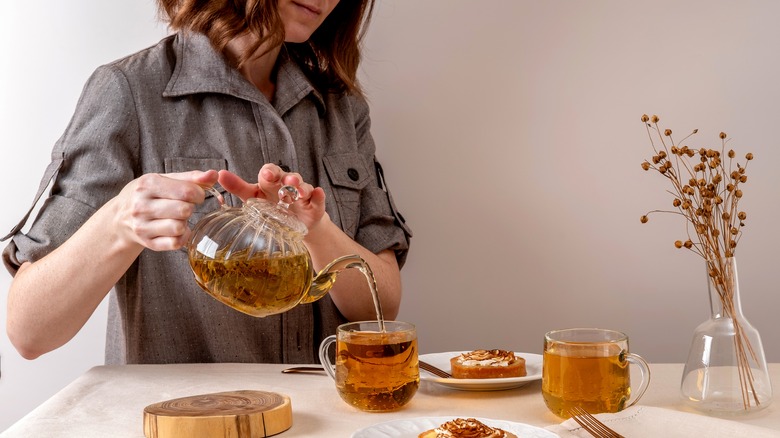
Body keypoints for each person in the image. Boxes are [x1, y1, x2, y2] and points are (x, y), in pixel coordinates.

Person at [2, 0, 411, 365]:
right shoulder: (128, 91)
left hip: (329, 420)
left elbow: (380, 308)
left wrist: (314, 228)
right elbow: (30, 332)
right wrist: (120, 222)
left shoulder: (342, 108)